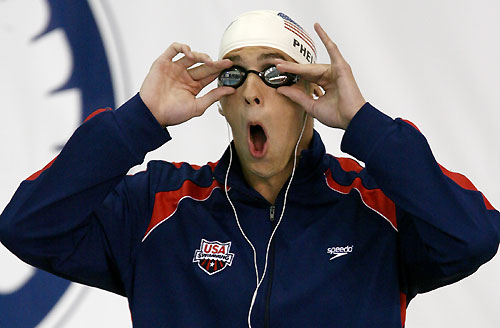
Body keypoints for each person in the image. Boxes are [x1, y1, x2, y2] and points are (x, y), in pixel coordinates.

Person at [0, 9, 499, 328]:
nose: (254, 90)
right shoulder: (158, 206)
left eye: (276, 72)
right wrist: (138, 121)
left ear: (310, 96)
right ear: (222, 101)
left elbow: (474, 235)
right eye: (237, 72)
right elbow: (27, 226)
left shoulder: (375, 207)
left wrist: (364, 124)